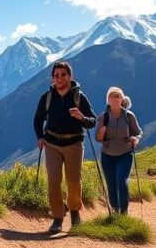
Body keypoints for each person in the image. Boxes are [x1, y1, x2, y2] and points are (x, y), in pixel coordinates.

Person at [33, 61, 97, 235]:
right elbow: (38, 120)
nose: (59, 78)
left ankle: (75, 212)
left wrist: (81, 117)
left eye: (62, 75)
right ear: (52, 78)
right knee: (53, 181)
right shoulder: (47, 97)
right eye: (56, 75)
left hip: (74, 144)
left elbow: (92, 121)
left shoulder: (79, 97)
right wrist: (40, 137)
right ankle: (57, 217)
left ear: (69, 77)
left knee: (73, 181)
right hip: (52, 144)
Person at [96, 87, 142, 215]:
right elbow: (98, 138)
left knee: (121, 181)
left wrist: (135, 140)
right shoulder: (103, 117)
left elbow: (137, 132)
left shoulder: (129, 116)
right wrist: (101, 132)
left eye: (118, 96)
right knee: (111, 184)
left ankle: (124, 212)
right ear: (108, 100)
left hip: (125, 153)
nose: (115, 99)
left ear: (122, 99)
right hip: (107, 155)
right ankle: (115, 210)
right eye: (112, 96)